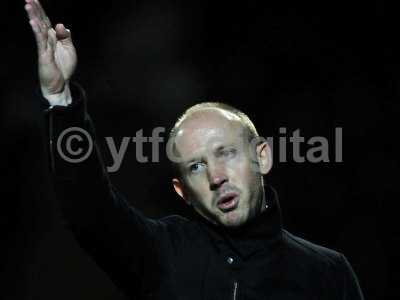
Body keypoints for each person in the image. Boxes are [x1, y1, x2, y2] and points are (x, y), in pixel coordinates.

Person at [24, 0, 365, 299]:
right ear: (182, 191)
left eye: (225, 153)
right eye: (197, 167)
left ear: (261, 156)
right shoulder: (163, 255)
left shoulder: (326, 274)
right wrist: (60, 100)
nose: (216, 177)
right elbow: (89, 209)